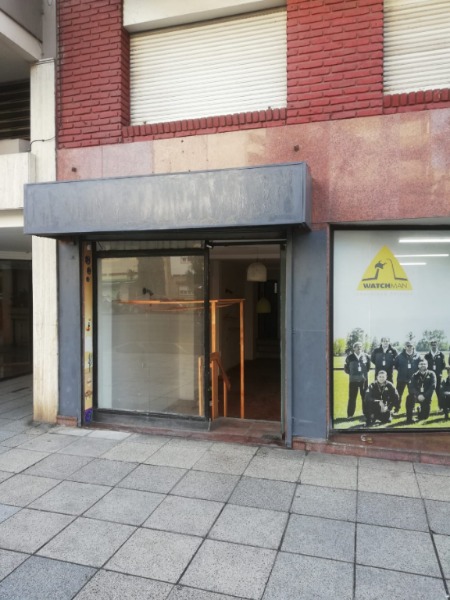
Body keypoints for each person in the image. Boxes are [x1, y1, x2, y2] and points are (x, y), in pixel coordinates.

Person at [344, 341, 371, 418]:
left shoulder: (366, 356)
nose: (359, 348)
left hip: (363, 380)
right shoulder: (350, 357)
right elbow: (346, 368)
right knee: (352, 397)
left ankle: (365, 413)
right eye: (357, 346)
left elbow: (368, 368)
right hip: (353, 381)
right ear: (354, 348)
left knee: (365, 397)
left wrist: (362, 374)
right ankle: (350, 414)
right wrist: (353, 374)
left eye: (360, 346)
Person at [405, 358, 436, 424]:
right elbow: (411, 387)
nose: (423, 365)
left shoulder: (431, 374)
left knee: (424, 417)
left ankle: (420, 409)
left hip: (426, 396)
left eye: (424, 364)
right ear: (418, 365)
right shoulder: (414, 375)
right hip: (417, 396)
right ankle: (409, 418)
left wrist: (424, 395)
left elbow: (432, 387)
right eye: (421, 364)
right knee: (409, 397)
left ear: (427, 365)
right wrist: (418, 395)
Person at [394, 341, 421, 412]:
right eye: (407, 346)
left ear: (413, 346)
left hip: (413, 378)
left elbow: (420, 366)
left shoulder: (417, 356)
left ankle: (412, 408)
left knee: (412, 394)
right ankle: (397, 408)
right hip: (401, 378)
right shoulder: (399, 356)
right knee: (398, 394)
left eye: (410, 346)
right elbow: (396, 366)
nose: (409, 347)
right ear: (405, 347)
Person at [424, 339, 446, 411]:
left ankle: (441, 407)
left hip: (438, 376)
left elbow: (443, 365)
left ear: (437, 345)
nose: (434, 346)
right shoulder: (427, 355)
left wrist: (439, 372)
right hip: (429, 377)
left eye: (435, 345)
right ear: (430, 346)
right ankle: (426, 408)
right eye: (432, 345)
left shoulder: (441, 354)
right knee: (428, 392)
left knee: (439, 392)